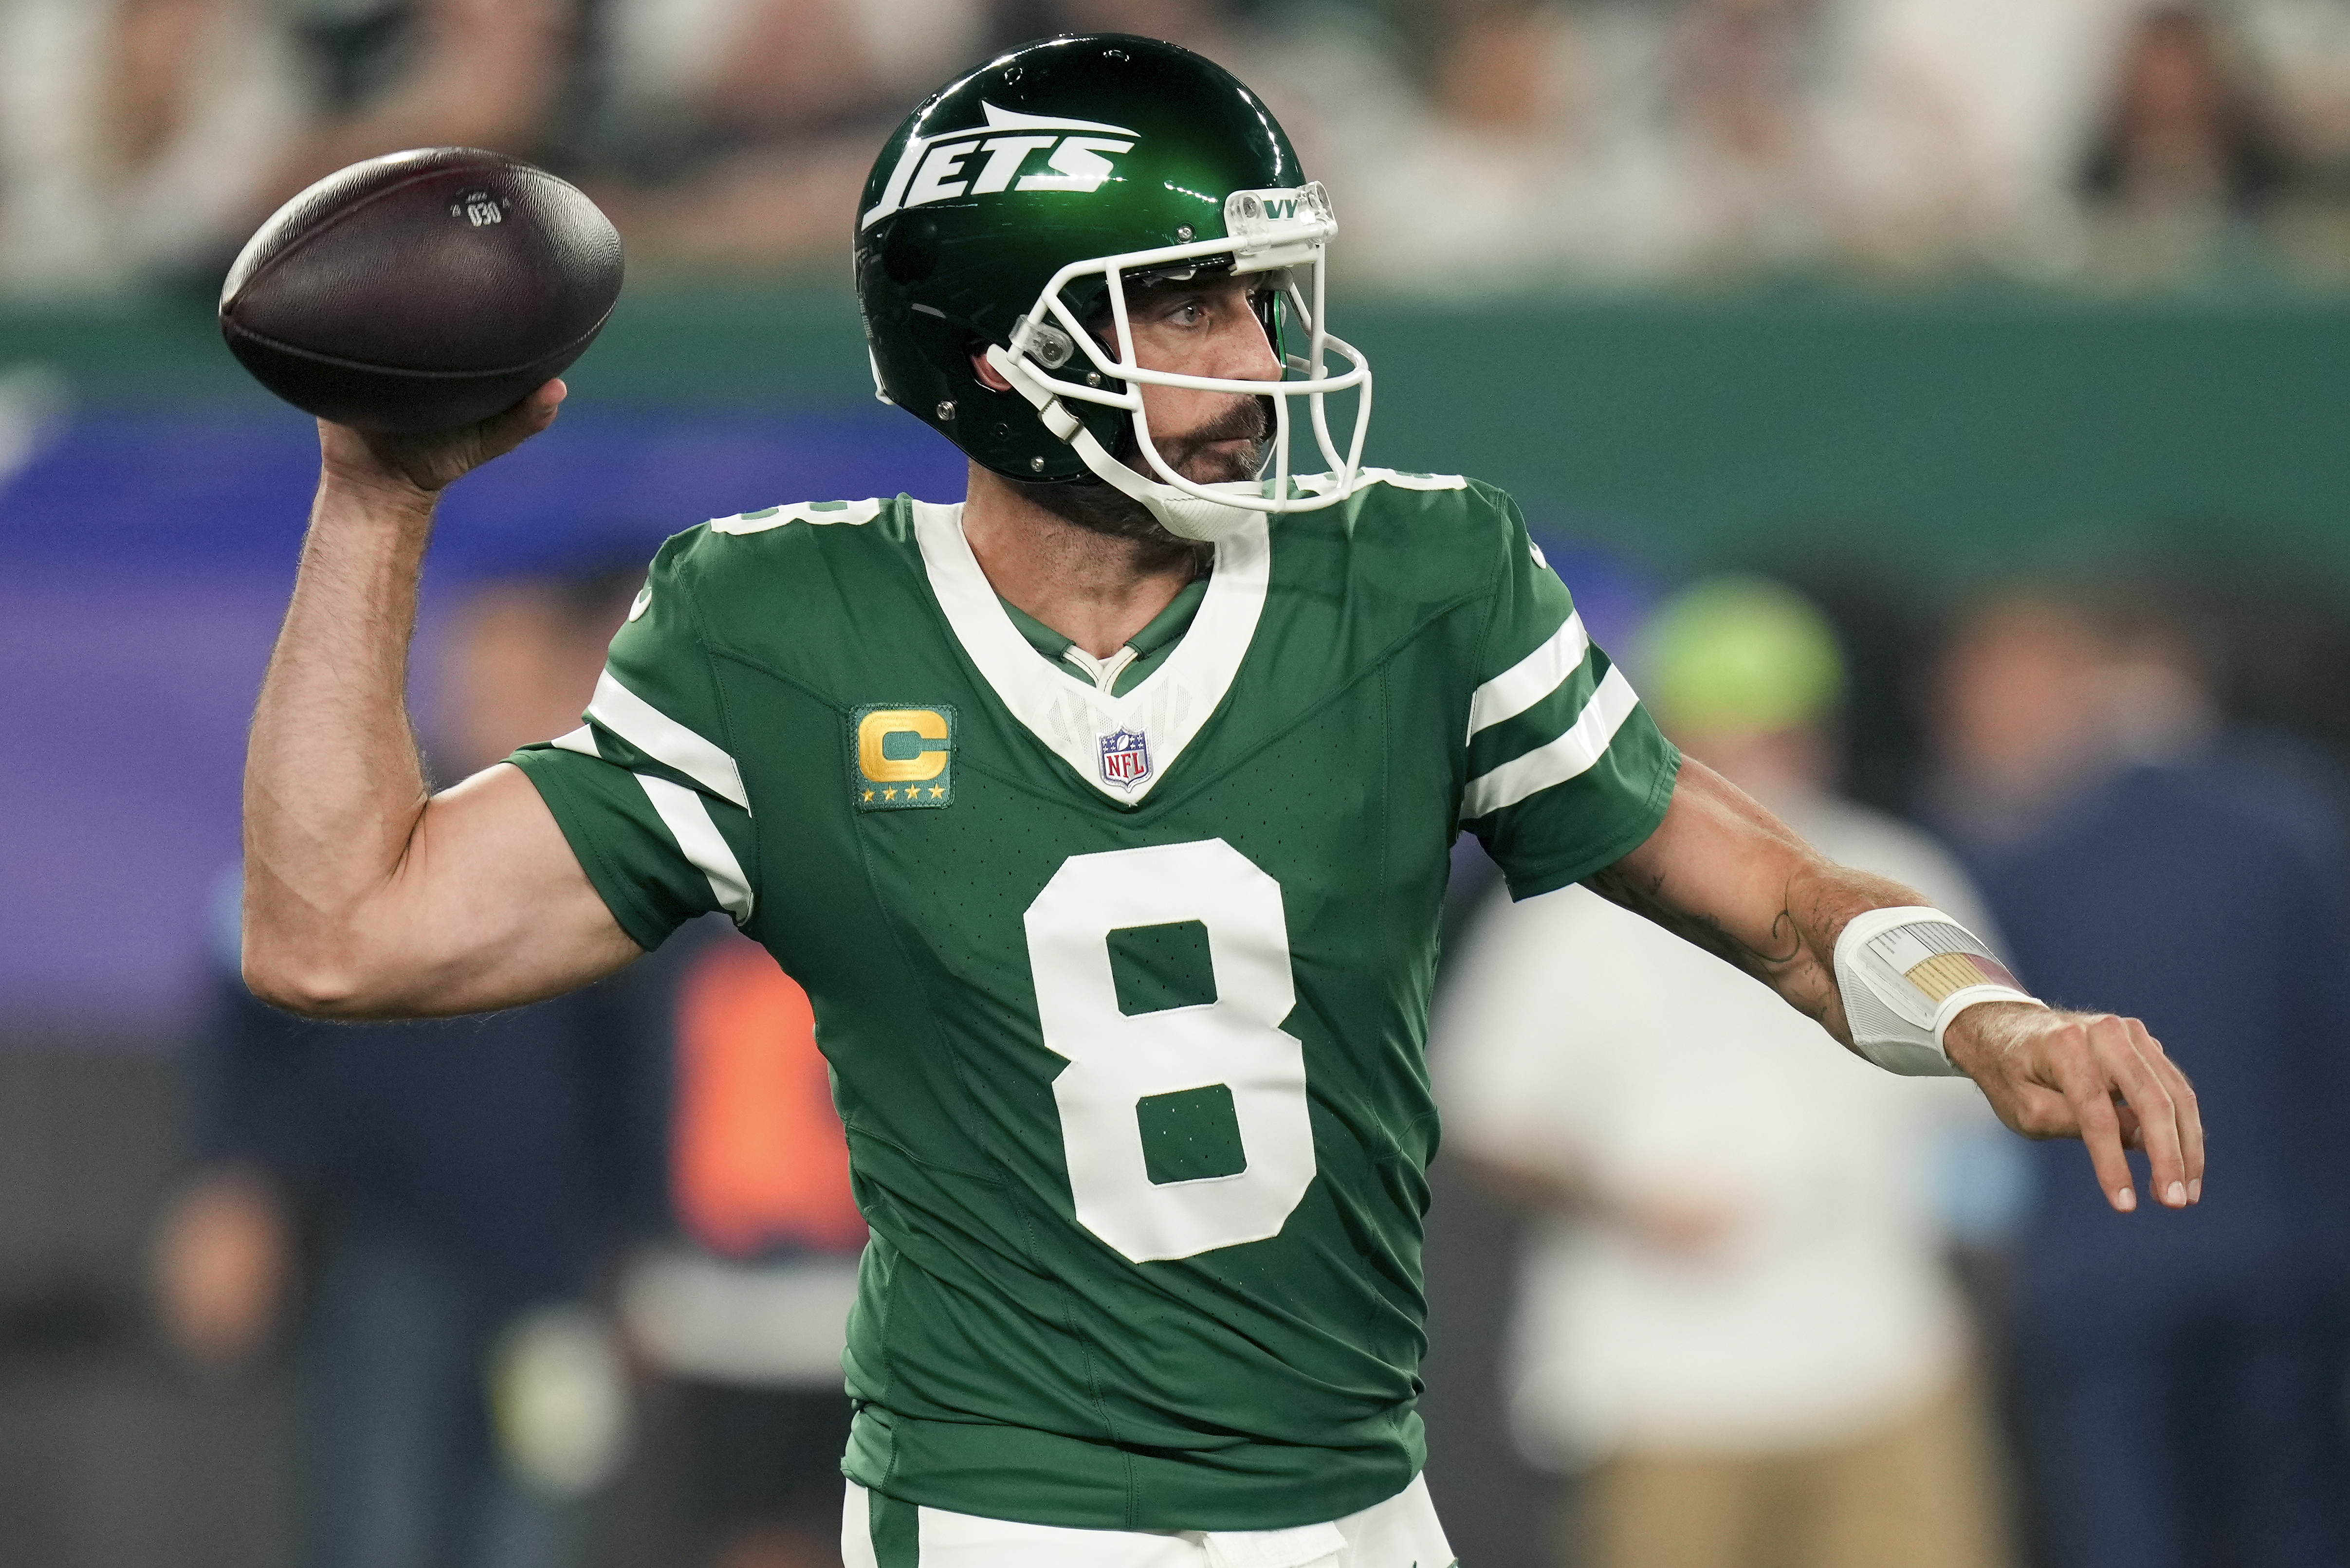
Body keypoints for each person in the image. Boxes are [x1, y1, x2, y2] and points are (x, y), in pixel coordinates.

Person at [236, 34, 2202, 1568]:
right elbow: (344, 931)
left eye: (1266, 297)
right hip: (1000, 1504)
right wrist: (376, 500)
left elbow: (1766, 891)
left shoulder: (1411, 581)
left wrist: (1981, 1013)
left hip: (1349, 1497)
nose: (1259, 359)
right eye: (1184, 304)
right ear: (999, 348)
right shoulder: (788, 629)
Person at [1437, 578, 2013, 1568]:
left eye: (1776, 734)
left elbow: (1980, 1131)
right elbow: (1479, 1119)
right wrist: (1622, 1201)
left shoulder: (1903, 877)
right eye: (1726, 736)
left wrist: (1964, 1302)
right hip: (1658, 1391)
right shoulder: (1568, 908)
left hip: (1881, 1366)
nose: (1758, 768)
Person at [156, 566, 651, 1568]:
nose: (495, 701)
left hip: (546, 1281)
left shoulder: (605, 866)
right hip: (386, 1255)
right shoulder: (367, 848)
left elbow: (636, 1086)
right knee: (378, 1530)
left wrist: (637, 1262)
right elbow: (250, 1010)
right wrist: (231, 1183)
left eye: (524, 677)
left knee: (529, 1539)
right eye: (479, 675)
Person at [1928, 587, 2350, 1568]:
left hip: (2093, 1269)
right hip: (2276, 1257)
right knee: (2294, 1525)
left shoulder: (2000, 858)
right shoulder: (2292, 821)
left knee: (2129, 1536)